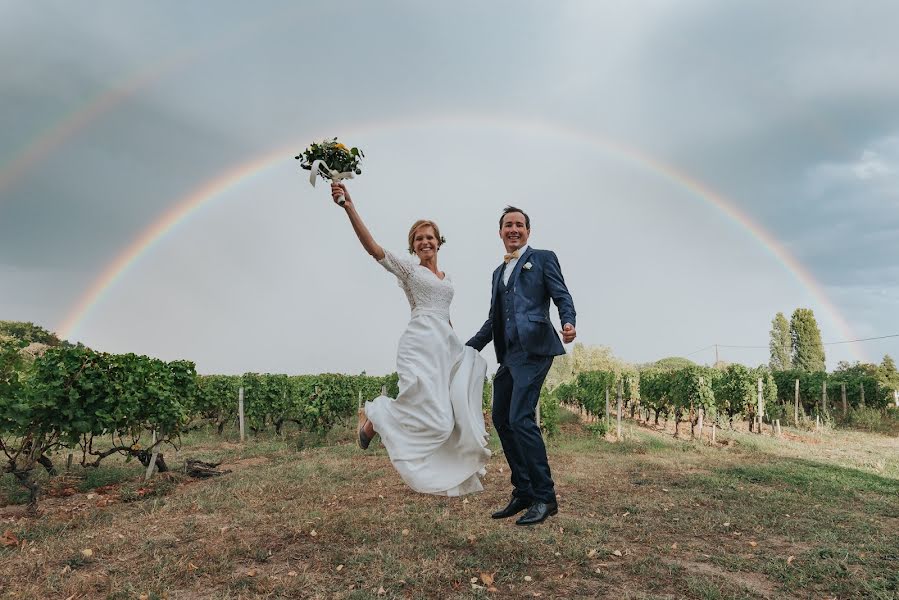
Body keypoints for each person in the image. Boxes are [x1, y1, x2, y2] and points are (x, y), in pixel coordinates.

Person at [331, 182, 491, 496]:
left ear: (439, 242)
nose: (425, 242)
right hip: (418, 345)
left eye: (429, 237)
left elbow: (445, 316)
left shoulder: (448, 280)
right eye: (419, 239)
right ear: (413, 246)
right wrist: (349, 206)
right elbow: (373, 248)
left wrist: (457, 347)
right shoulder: (409, 271)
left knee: (444, 420)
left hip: (443, 347)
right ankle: (374, 418)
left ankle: (378, 421)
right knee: (422, 407)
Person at [466, 206, 576, 525]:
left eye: (519, 225)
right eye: (507, 225)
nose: (513, 229)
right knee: (501, 418)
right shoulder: (497, 274)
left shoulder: (543, 258)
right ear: (499, 232)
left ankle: (545, 497)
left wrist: (568, 322)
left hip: (536, 347)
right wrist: (467, 349)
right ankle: (524, 490)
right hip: (510, 354)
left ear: (528, 231)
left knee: (521, 417)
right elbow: (493, 320)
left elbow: (561, 295)